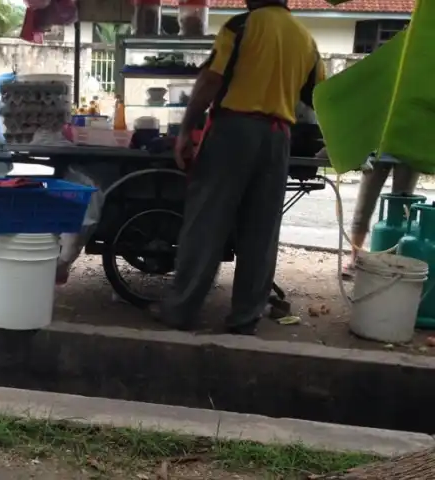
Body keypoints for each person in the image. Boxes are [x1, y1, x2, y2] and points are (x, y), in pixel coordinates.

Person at [150, 0, 325, 335]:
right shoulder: (306, 38)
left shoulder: (241, 26)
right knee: (261, 232)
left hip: (233, 130)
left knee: (206, 222)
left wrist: (186, 129)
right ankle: (245, 318)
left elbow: (210, 81)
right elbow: (317, 94)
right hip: (278, 138)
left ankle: (180, 310)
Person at [317, 148, 419, 279]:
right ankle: (354, 260)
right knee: (363, 209)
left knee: (402, 215)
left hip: (409, 153)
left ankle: (395, 264)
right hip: (376, 154)